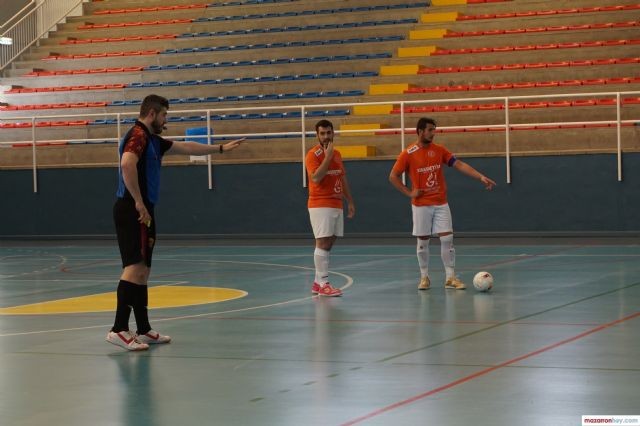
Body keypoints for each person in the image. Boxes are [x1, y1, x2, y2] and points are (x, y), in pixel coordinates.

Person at [107, 94, 245, 351]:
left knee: (143, 270)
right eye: (164, 115)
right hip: (131, 208)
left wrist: (220, 148)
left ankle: (144, 329)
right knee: (134, 267)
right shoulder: (137, 136)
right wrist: (138, 201)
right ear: (152, 114)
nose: (165, 120)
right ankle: (118, 329)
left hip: (143, 208)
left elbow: (187, 147)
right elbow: (127, 164)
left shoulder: (152, 140)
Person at [389, 117, 495, 291]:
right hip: (421, 204)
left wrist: (480, 176)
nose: (433, 133)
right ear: (420, 131)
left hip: (440, 202)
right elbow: (393, 176)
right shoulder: (408, 153)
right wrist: (409, 193)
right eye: (430, 130)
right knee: (423, 241)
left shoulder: (439, 150)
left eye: (434, 130)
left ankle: (450, 278)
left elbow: (458, 164)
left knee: (447, 239)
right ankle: (424, 277)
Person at [305, 119, 355, 297]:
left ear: (333, 133)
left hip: (336, 203)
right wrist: (327, 156)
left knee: (329, 242)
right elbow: (316, 178)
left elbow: (341, 178)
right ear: (317, 135)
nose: (326, 136)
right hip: (320, 203)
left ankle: (317, 283)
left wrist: (350, 201)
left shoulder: (338, 154)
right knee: (322, 242)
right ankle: (324, 283)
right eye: (322, 133)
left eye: (329, 133)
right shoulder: (313, 154)